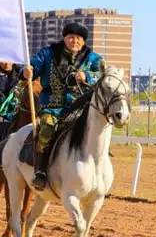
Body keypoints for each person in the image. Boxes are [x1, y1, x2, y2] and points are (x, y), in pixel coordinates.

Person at [22, 22, 103, 191]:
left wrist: (86, 75)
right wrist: (27, 71)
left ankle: (100, 169)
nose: (74, 41)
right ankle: (40, 171)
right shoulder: (48, 53)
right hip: (52, 105)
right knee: (46, 128)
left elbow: (104, 73)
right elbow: (34, 66)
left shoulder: (93, 58)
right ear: (64, 38)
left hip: (81, 107)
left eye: (78, 38)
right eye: (71, 37)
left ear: (83, 41)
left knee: (97, 129)